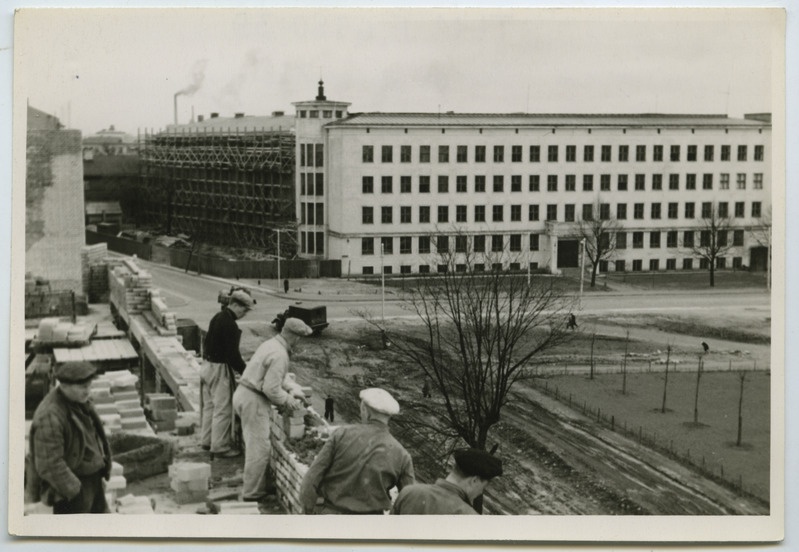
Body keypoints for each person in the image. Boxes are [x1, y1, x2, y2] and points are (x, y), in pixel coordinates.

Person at [233, 317, 313, 502]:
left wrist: (293, 389)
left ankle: (256, 485)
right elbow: (271, 389)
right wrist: (288, 401)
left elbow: (278, 376)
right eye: (299, 338)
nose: (299, 342)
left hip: (244, 393)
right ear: (294, 337)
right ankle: (252, 493)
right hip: (254, 400)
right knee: (259, 448)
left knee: (255, 443)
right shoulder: (280, 355)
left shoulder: (271, 344)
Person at [300, 388, 415, 514]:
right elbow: (411, 503)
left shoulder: (341, 434)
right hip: (370, 527)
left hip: (331, 519)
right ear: (388, 418)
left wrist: (309, 513)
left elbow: (310, 480)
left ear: (365, 410)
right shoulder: (402, 455)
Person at [27, 361, 112, 514]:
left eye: (89, 386)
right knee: (77, 535)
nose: (88, 391)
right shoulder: (50, 416)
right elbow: (49, 464)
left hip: (91, 481)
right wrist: (74, 490)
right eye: (82, 387)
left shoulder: (78, 401)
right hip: (72, 491)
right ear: (64, 386)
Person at [200, 289, 253, 458]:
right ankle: (220, 447)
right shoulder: (230, 324)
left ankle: (207, 441)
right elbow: (233, 356)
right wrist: (246, 372)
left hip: (207, 365)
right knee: (222, 408)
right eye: (244, 310)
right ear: (235, 305)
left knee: (209, 406)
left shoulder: (218, 317)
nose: (244, 314)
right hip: (219, 368)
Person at [391, 448, 503, 515]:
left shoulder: (409, 492)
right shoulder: (470, 519)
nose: (480, 493)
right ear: (474, 481)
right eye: (483, 488)